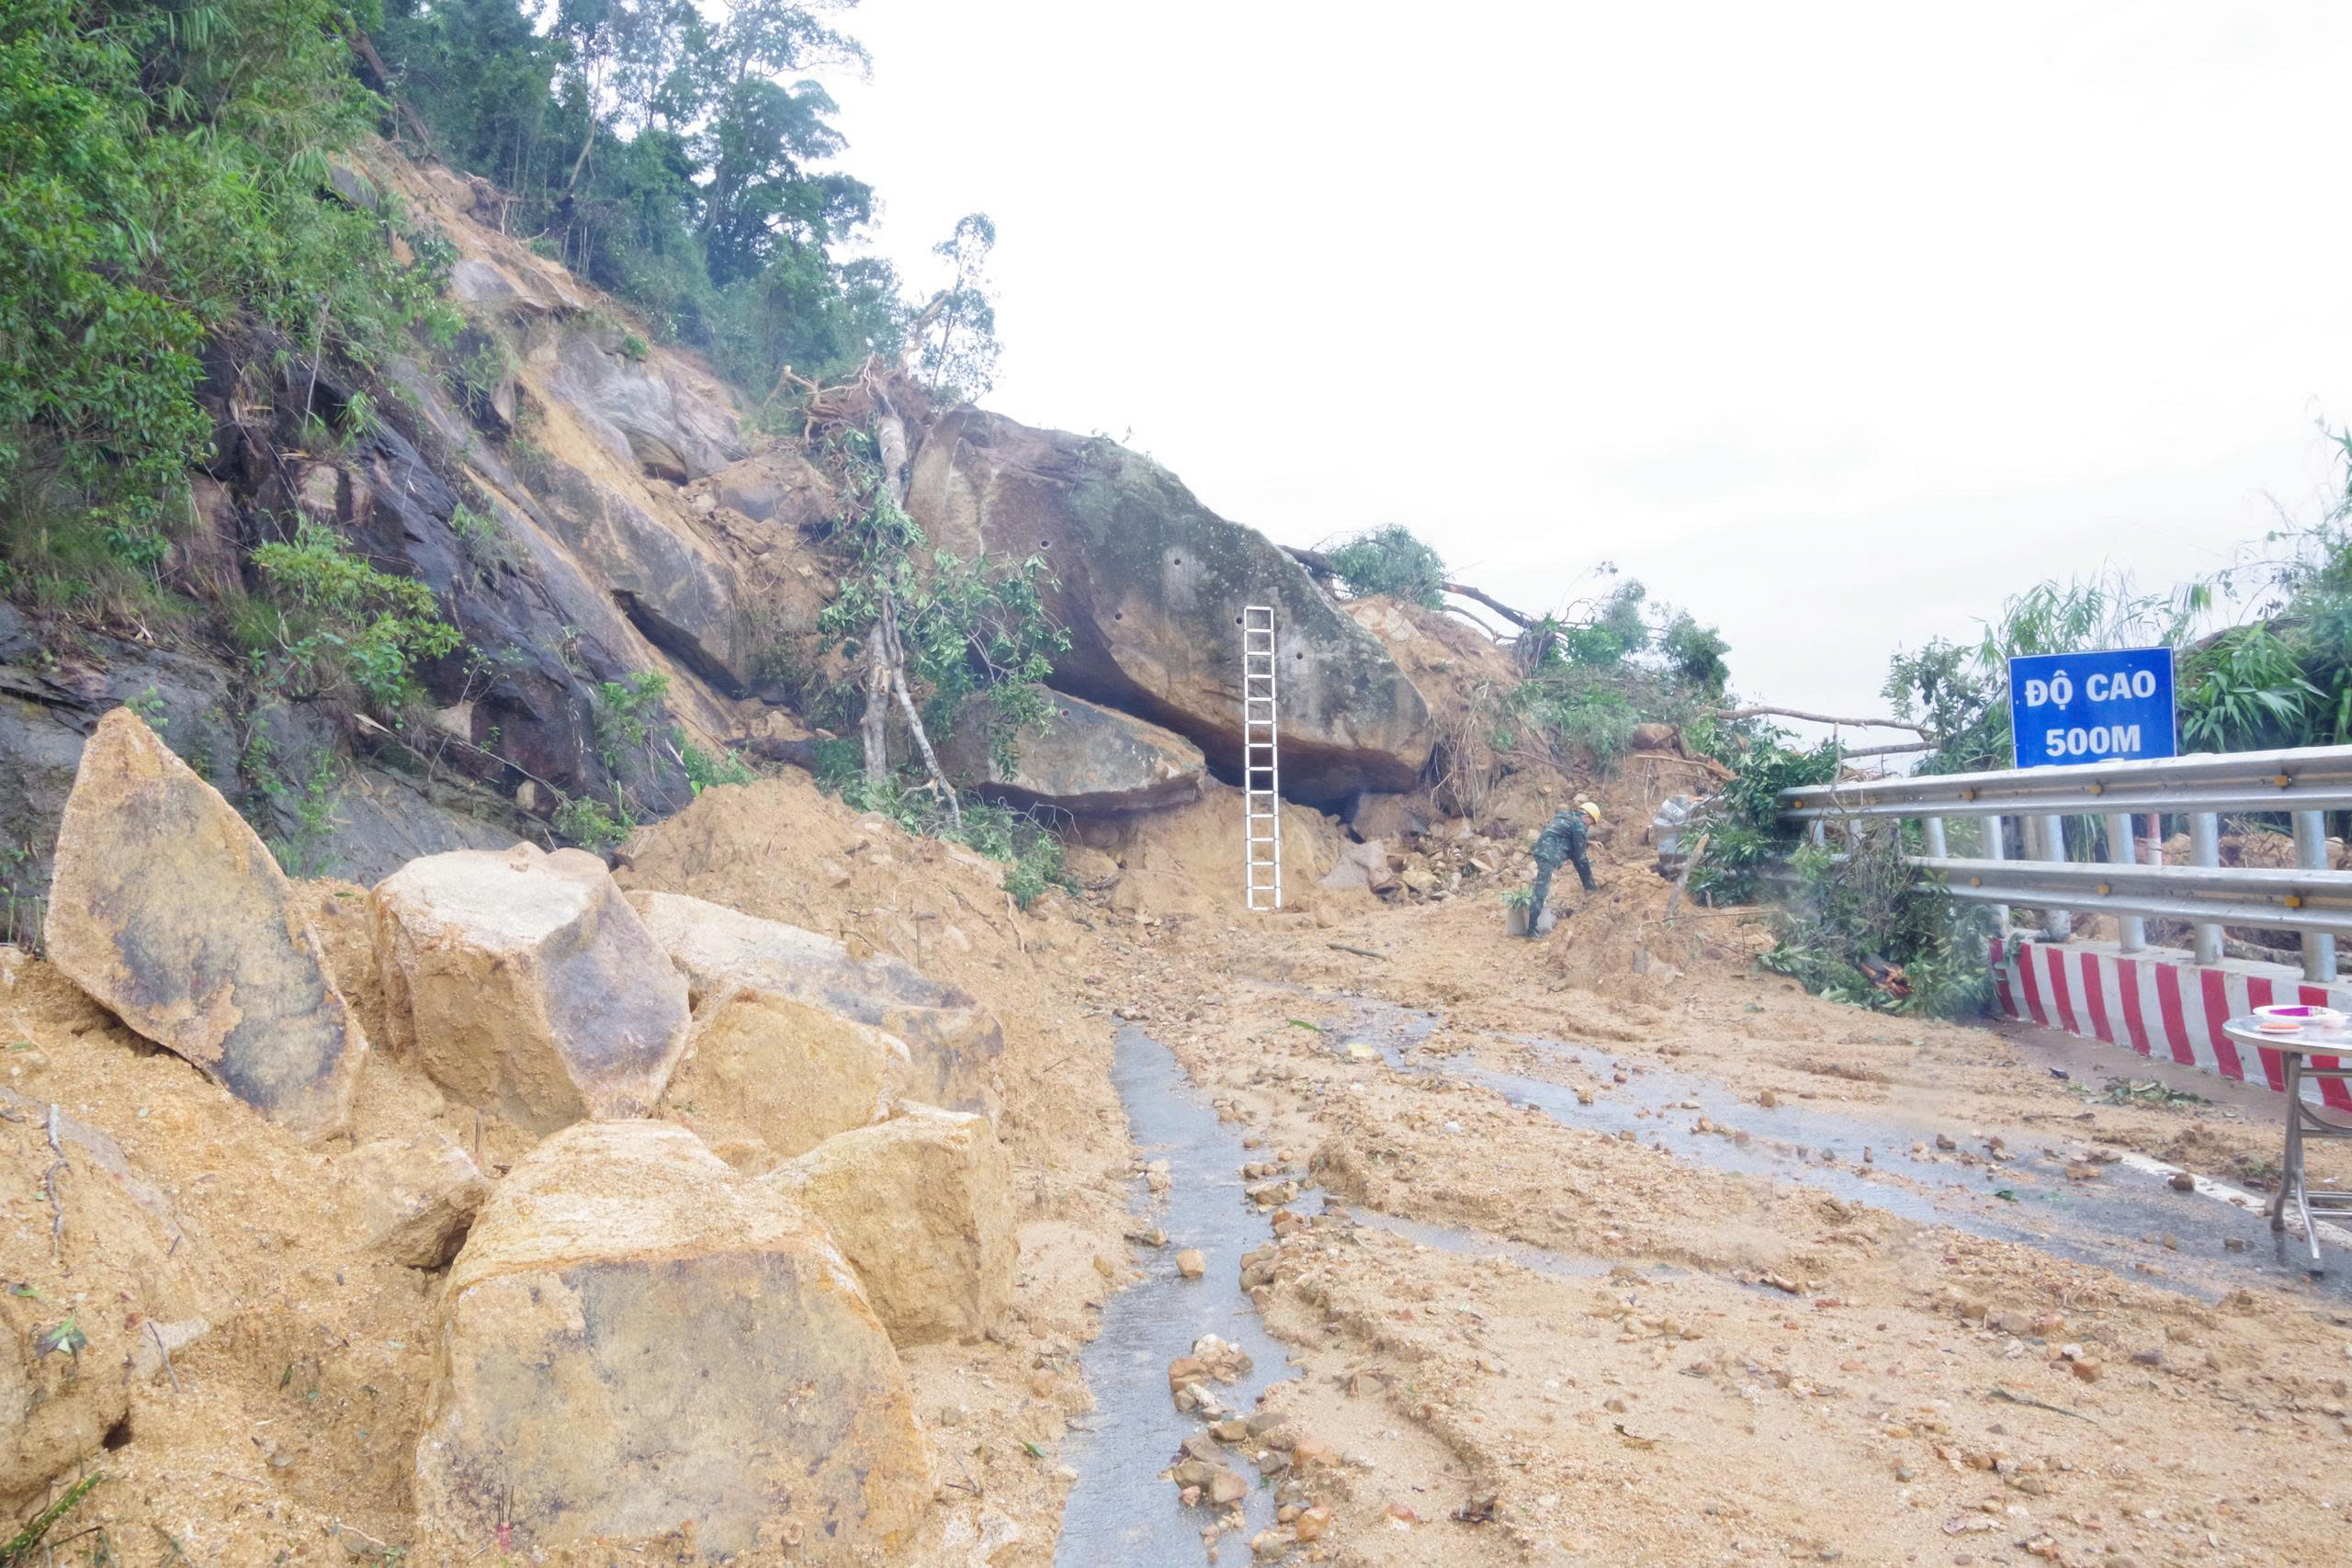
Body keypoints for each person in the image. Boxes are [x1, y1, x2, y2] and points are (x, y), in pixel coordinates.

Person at [1524, 801, 1600, 937]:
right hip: (1548, 855)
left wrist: (1588, 842)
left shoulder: (1567, 816)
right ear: (1587, 816)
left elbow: (1566, 836)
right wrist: (1590, 886)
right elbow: (1581, 858)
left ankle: (1533, 924)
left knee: (1542, 888)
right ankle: (1531, 930)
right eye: (1592, 822)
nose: (1590, 826)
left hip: (1542, 849)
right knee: (1541, 891)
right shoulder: (1579, 825)